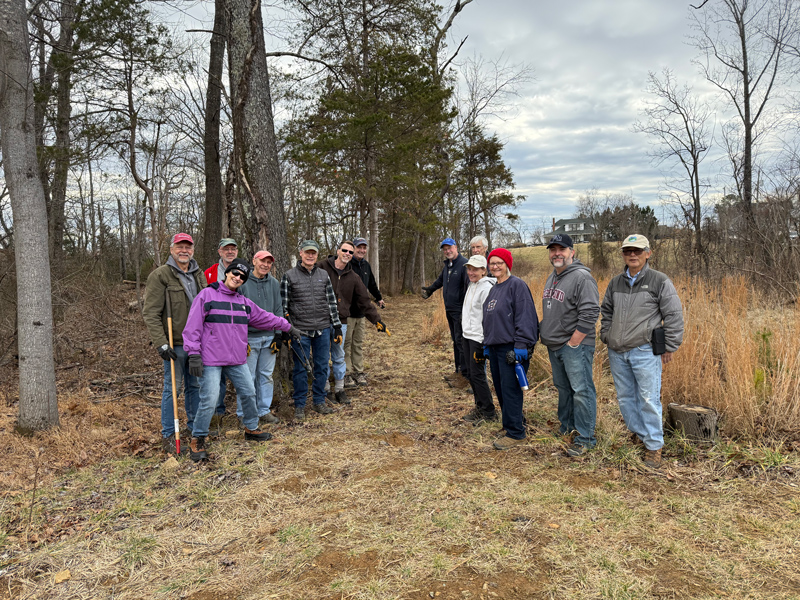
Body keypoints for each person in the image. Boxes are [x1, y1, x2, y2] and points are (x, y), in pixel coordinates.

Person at [183, 259, 302, 462]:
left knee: (249, 392)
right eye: (235, 273)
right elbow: (192, 326)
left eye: (242, 277)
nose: (237, 278)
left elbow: (266, 317)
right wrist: (193, 354)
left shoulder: (243, 303)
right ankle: (198, 437)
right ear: (227, 273)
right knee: (209, 398)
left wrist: (287, 327)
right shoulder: (207, 295)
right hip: (210, 359)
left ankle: (251, 428)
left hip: (236, 359)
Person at [600, 234, 684, 469]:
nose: (632, 255)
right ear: (623, 255)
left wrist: (669, 346)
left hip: (644, 350)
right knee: (626, 398)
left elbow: (674, 316)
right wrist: (606, 335)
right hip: (617, 351)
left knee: (648, 399)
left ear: (648, 253)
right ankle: (638, 435)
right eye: (628, 251)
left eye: (637, 250)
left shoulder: (659, 281)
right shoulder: (616, 282)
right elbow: (606, 311)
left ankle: (654, 446)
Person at [143, 233, 206, 454]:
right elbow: (150, 313)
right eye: (179, 246)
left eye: (188, 247)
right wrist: (161, 343)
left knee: (195, 387)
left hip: (197, 344)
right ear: (171, 249)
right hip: (175, 344)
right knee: (172, 389)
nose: (184, 251)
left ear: (193, 250)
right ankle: (169, 434)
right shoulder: (160, 276)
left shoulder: (199, 275)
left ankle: (195, 430)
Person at [540, 234, 600, 457]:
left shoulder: (582, 277)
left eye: (562, 249)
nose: (557, 253)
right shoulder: (553, 277)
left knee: (581, 390)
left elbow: (591, 311)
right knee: (564, 389)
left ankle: (586, 438)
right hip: (555, 345)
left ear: (572, 252)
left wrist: (574, 342)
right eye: (553, 249)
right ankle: (567, 428)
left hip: (575, 346)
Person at [319, 240, 389, 404]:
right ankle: (325, 390)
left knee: (339, 355)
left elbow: (364, 301)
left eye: (350, 252)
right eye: (345, 250)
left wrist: (377, 320)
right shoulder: (322, 268)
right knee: (321, 357)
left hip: (341, 322)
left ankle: (340, 389)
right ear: (338, 251)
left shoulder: (353, 277)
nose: (347, 254)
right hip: (321, 320)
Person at [482, 248, 539, 450]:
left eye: (499, 263)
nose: (495, 266)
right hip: (496, 347)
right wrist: (487, 344)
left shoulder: (517, 286)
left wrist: (522, 345)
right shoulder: (494, 288)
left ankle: (516, 434)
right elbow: (489, 320)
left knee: (511, 390)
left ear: (507, 264)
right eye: (492, 263)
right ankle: (511, 425)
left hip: (512, 348)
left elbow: (525, 316)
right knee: (500, 389)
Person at [281, 240, 342, 423]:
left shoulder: (323, 275)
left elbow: (331, 302)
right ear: (300, 253)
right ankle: (300, 405)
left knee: (322, 366)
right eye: (307, 252)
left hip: (323, 329)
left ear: (317, 255)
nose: (310, 256)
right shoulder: (289, 276)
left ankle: (318, 401)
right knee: (300, 369)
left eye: (313, 253)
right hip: (300, 330)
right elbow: (283, 306)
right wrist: (286, 329)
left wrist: (336, 325)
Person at [237, 250, 282, 427]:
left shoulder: (274, 283)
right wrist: (241, 338)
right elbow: (237, 312)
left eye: (269, 262)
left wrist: (278, 335)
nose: (265, 265)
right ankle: (244, 413)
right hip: (249, 338)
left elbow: (278, 309)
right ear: (254, 261)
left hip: (269, 337)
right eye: (262, 261)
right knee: (246, 377)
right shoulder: (243, 282)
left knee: (266, 376)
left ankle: (263, 410)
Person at [203, 238, 240, 426]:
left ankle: (243, 413)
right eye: (226, 249)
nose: (230, 252)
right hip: (214, 331)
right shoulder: (209, 273)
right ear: (220, 251)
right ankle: (216, 413)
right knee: (215, 376)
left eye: (233, 249)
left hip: (236, 330)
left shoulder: (242, 272)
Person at [421, 237, 469, 383]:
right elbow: (441, 280)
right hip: (450, 309)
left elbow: (468, 287)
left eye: (450, 248)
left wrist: (465, 308)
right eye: (445, 249)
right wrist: (431, 289)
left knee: (461, 342)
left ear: (456, 247)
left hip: (460, 310)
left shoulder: (464, 264)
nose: (447, 251)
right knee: (455, 340)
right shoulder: (448, 265)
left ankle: (465, 375)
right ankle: (458, 371)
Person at [344, 236, 385, 388]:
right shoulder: (347, 265)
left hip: (361, 313)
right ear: (352, 249)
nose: (361, 250)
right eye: (358, 247)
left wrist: (379, 298)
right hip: (347, 314)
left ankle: (359, 372)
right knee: (346, 344)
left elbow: (372, 284)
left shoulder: (366, 266)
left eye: (364, 248)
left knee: (358, 343)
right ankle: (346, 374)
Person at [460, 254, 497, 423]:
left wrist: (485, 339)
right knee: (471, 374)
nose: (471, 272)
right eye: (469, 269)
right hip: (467, 335)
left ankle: (488, 412)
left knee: (477, 375)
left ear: (484, 270)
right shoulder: (471, 285)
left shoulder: (487, 288)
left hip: (479, 338)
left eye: (475, 269)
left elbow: (489, 317)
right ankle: (479, 407)